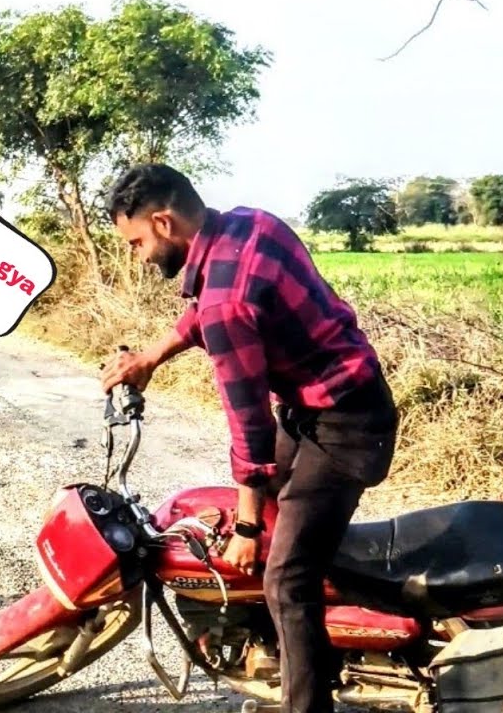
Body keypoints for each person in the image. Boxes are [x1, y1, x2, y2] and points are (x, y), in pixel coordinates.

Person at [99, 163, 398, 713]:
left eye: (137, 242)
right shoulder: (250, 224)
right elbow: (203, 310)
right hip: (329, 402)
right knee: (278, 528)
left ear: (163, 223)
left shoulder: (226, 306)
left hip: (347, 427)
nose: (139, 256)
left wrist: (245, 525)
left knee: (286, 577)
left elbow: (249, 424)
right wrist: (150, 358)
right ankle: (289, 641)